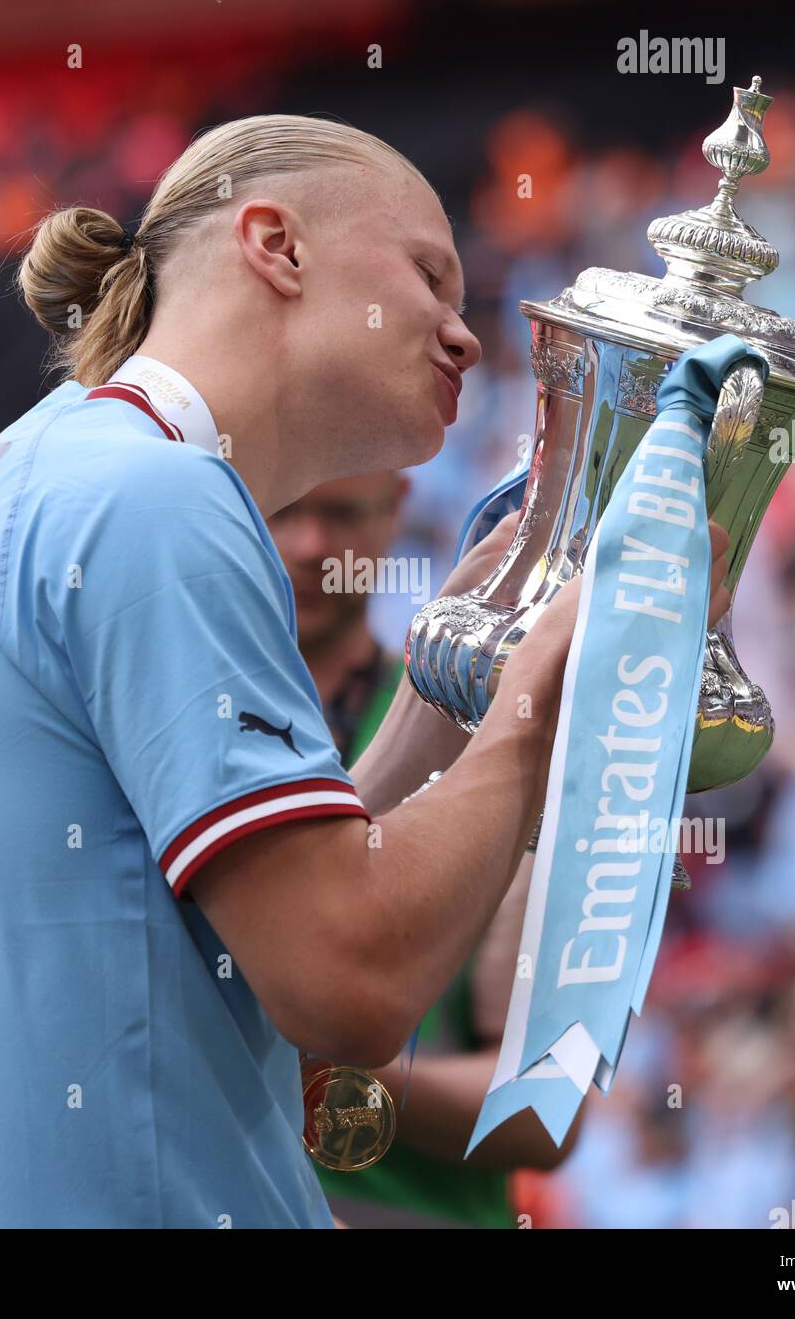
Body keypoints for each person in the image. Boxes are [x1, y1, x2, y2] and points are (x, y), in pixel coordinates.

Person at [0, 114, 732, 1228]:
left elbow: (207, 921)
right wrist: (547, 690)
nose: (464, 335)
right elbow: (341, 980)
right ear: (277, 244)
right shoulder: (154, 498)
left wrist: (438, 691)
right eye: (427, 275)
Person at [269, 470, 581, 1228]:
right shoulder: (183, 723)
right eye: (283, 511)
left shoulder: (494, 753)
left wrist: (321, 1061)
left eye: (342, 512)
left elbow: (547, 1110)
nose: (313, 547)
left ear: (396, 507)